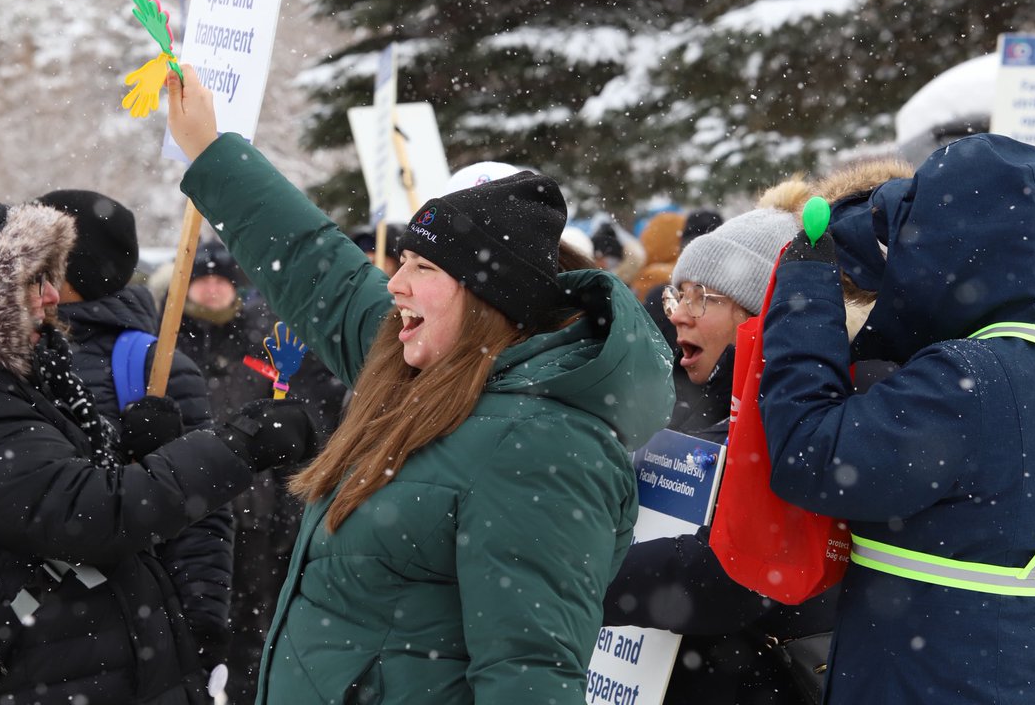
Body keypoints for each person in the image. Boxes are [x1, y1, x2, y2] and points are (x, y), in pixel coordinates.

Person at [165, 65, 675, 704]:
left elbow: (530, 673)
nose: (396, 284)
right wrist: (212, 151)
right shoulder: (411, 369)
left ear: (488, 298)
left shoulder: (542, 447)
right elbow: (317, 266)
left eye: (423, 266)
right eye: (401, 260)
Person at [0, 196, 316, 705]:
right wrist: (238, 446)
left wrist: (132, 449)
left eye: (50, 279)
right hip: (41, 675)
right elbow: (90, 514)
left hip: (75, 667)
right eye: (32, 281)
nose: (50, 297)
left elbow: (61, 490)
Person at [759, 134, 1035, 704]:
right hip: (1017, 670)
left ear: (952, 247)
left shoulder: (972, 381)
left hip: (928, 680)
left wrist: (806, 287)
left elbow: (810, 455)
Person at [604, 189, 841, 705]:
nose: (679, 315)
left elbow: (723, 579)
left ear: (760, 314)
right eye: (677, 295)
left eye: (701, 298)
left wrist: (573, 578)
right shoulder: (686, 407)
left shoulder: (792, 424)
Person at [36, 189, 236, 684]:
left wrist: (201, 624)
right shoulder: (7, 351)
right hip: (25, 626)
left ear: (73, 268)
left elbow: (200, 507)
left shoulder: (153, 366)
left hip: (126, 630)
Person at [170, 238, 346, 705]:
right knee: (199, 618)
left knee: (258, 620)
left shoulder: (265, 340)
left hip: (262, 511)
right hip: (194, 505)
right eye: (202, 280)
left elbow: (307, 417)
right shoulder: (170, 340)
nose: (211, 290)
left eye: (221, 280)